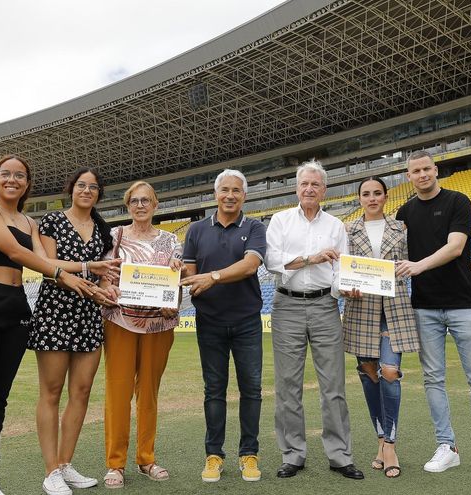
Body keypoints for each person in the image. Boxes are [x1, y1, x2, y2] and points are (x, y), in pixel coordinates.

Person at [0, 155, 98, 495]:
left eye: (20, 175)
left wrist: (92, 269)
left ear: (27, 183)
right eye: (6, 174)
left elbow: (45, 262)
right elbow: (17, 254)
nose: (12, 180)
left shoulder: (28, 221)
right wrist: (63, 275)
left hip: (15, 307)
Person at [394, 150, 471, 477]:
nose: (423, 174)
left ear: (435, 170)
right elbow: (395, 256)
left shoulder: (458, 201)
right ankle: (447, 446)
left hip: (462, 303)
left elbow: (456, 247)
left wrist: (418, 266)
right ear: (409, 176)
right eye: (416, 171)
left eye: (427, 168)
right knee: (433, 379)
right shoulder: (404, 212)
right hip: (424, 307)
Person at [264, 160, 363, 481]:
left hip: (325, 306)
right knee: (287, 386)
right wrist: (312, 258)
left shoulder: (335, 226)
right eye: (304, 183)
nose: (309, 189)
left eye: (315, 185)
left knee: (333, 385)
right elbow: (273, 263)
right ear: (297, 187)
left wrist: (346, 288)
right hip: (287, 306)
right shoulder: (279, 221)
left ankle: (340, 455)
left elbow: (339, 271)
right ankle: (293, 454)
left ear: (324, 190)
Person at [28, 167, 122, 495]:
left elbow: (106, 273)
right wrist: (88, 269)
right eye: (81, 185)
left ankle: (66, 465)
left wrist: (107, 288)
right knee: (51, 392)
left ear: (99, 193)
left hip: (88, 312)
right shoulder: (52, 221)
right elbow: (49, 267)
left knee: (81, 392)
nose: (87, 190)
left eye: (93, 187)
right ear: (72, 189)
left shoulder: (102, 229)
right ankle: (50, 470)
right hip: (55, 309)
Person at [180, 169, 266, 483]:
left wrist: (212, 276)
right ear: (216, 194)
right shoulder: (195, 230)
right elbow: (189, 273)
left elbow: (250, 265)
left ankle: (249, 454)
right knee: (213, 392)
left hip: (246, 321)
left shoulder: (256, 226)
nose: (230, 195)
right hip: (210, 321)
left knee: (251, 391)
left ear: (244, 195)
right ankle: (214, 455)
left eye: (236, 191)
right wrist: (180, 274)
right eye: (224, 190)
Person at [99, 181, 183, 488]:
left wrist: (171, 303)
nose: (140, 205)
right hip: (119, 320)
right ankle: (115, 464)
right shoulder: (114, 237)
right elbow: (103, 275)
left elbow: (176, 283)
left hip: (157, 326)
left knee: (148, 391)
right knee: (118, 391)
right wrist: (107, 287)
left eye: (146, 200)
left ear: (156, 205)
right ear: (128, 205)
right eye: (134, 200)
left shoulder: (170, 241)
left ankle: (146, 458)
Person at [341, 176, 420, 479]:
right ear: (359, 198)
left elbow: (413, 262)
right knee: (370, 376)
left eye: (377, 193)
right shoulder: (348, 230)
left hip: (394, 308)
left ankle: (390, 444)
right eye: (366, 194)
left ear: (386, 196)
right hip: (361, 310)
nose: (372, 198)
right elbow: (342, 270)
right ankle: (379, 441)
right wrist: (346, 288)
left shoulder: (401, 228)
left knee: (389, 373)